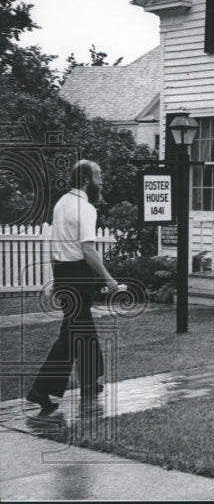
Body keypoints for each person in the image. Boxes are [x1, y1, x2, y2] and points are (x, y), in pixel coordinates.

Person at [26, 160, 125, 412]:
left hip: (63, 273)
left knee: (79, 327)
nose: (102, 181)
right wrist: (109, 280)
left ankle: (90, 381)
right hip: (77, 275)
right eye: (98, 176)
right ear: (85, 180)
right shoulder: (85, 208)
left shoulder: (62, 203)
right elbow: (88, 249)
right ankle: (41, 389)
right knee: (71, 334)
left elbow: (56, 242)